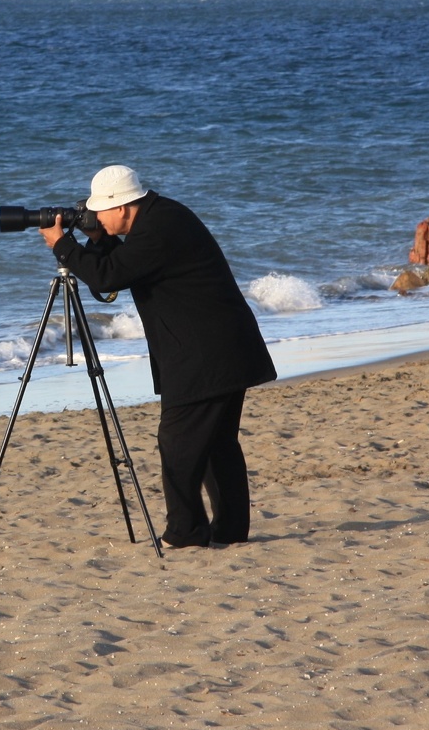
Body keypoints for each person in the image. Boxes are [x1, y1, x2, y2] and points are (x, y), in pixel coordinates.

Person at [39, 165, 276, 547]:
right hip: (221, 347)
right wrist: (97, 239)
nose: (95, 216)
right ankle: (229, 531)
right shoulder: (161, 218)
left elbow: (107, 277)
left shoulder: (159, 229)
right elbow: (121, 267)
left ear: (122, 207)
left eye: (101, 211)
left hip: (205, 355)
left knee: (178, 442)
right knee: (216, 443)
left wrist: (62, 246)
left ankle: (185, 532)